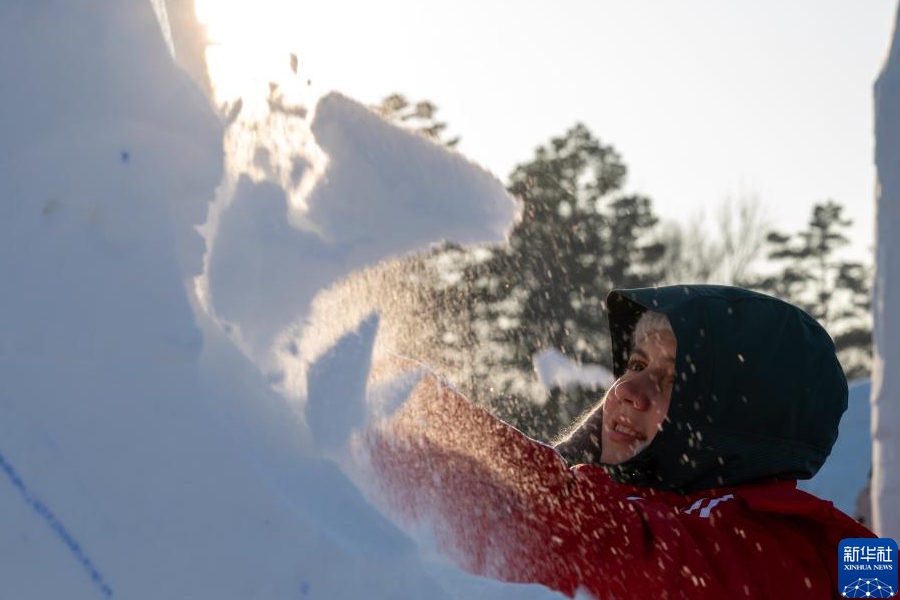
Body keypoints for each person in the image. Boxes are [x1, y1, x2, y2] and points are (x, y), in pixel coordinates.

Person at [365, 285, 874, 599]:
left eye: (673, 378)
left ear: (740, 416)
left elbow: (602, 544)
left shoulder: (776, 550)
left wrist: (442, 419)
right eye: (634, 366)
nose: (628, 390)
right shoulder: (665, 508)